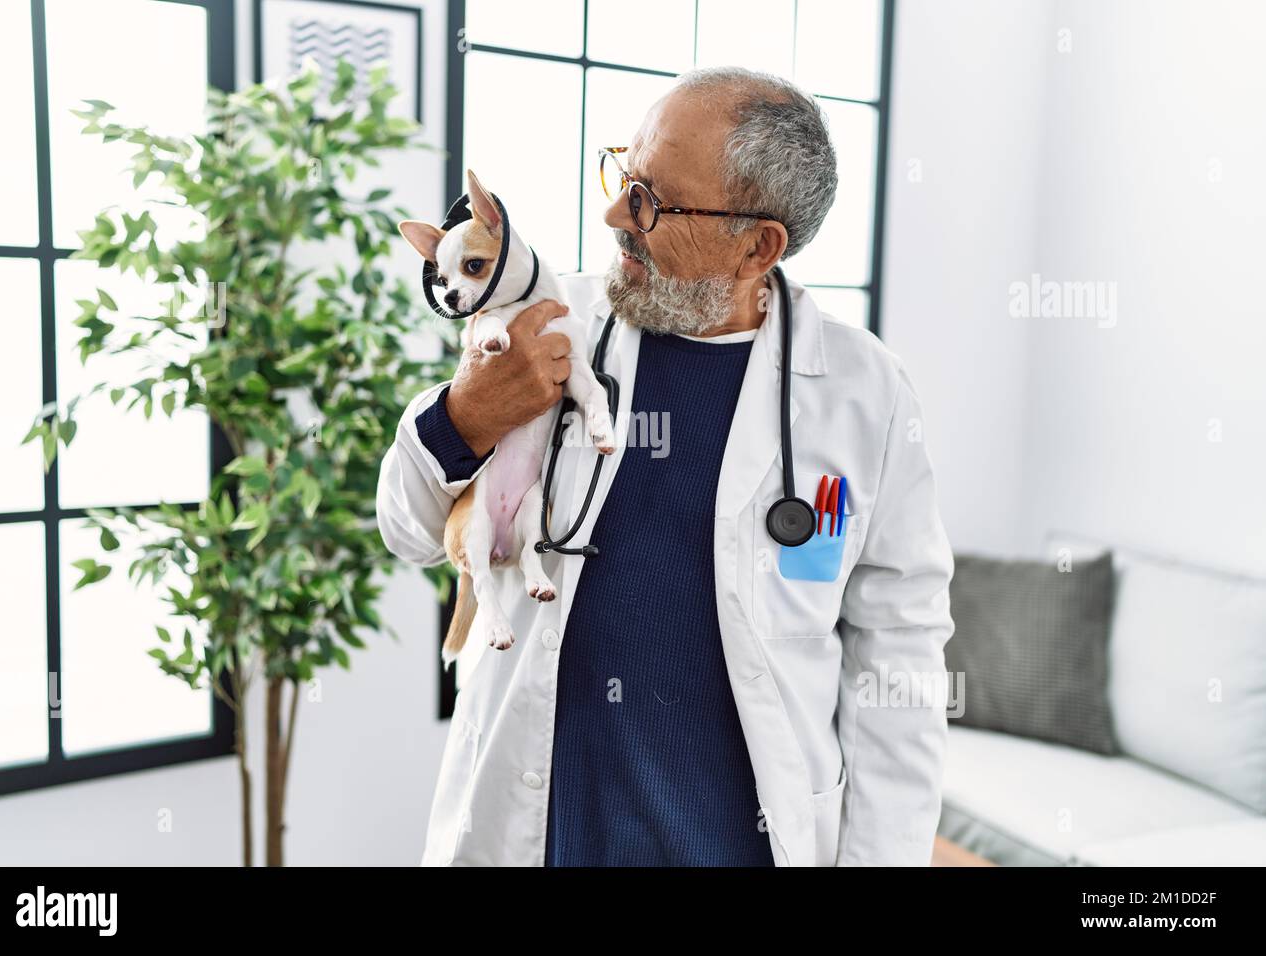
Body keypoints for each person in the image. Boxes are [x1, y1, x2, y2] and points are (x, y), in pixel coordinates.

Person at [377, 65, 955, 866]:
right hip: (546, 831)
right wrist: (466, 416)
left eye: (651, 199)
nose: (614, 213)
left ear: (758, 244)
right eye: (622, 173)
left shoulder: (866, 396)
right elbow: (406, 532)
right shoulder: (549, 325)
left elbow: (901, 657)